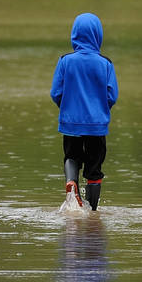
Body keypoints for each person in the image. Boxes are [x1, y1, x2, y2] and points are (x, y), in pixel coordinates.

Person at [50, 12, 118, 211]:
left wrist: (68, 107)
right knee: (94, 169)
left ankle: (71, 183)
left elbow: (56, 92)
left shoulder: (65, 61)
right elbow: (112, 95)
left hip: (71, 124)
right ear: (98, 34)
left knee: (72, 156)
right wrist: (99, 111)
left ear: (74, 34)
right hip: (97, 126)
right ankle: (91, 211)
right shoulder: (106, 63)